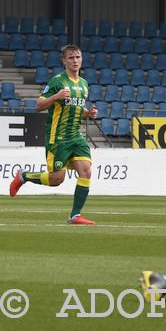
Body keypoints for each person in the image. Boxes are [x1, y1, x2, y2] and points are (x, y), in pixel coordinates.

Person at [9, 44, 99, 225]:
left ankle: (75, 215)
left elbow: (76, 107)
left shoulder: (83, 84)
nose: (75, 60)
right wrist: (56, 96)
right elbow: (39, 105)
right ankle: (24, 176)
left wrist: (87, 114)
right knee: (56, 179)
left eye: (78, 57)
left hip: (76, 135)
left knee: (86, 171)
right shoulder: (57, 82)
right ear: (64, 61)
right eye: (71, 58)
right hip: (58, 137)